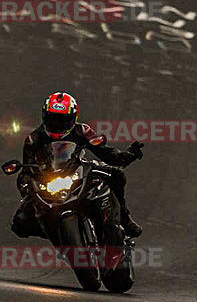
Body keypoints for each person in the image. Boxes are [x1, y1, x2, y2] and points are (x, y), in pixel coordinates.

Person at [11, 91, 144, 240]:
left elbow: (105, 153)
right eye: (53, 119)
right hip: (48, 179)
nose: (58, 124)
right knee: (20, 223)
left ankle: (125, 219)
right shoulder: (33, 139)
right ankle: (56, 235)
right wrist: (29, 189)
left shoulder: (82, 131)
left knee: (117, 175)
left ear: (73, 118)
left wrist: (127, 156)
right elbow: (27, 170)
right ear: (45, 116)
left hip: (78, 170)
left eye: (63, 119)